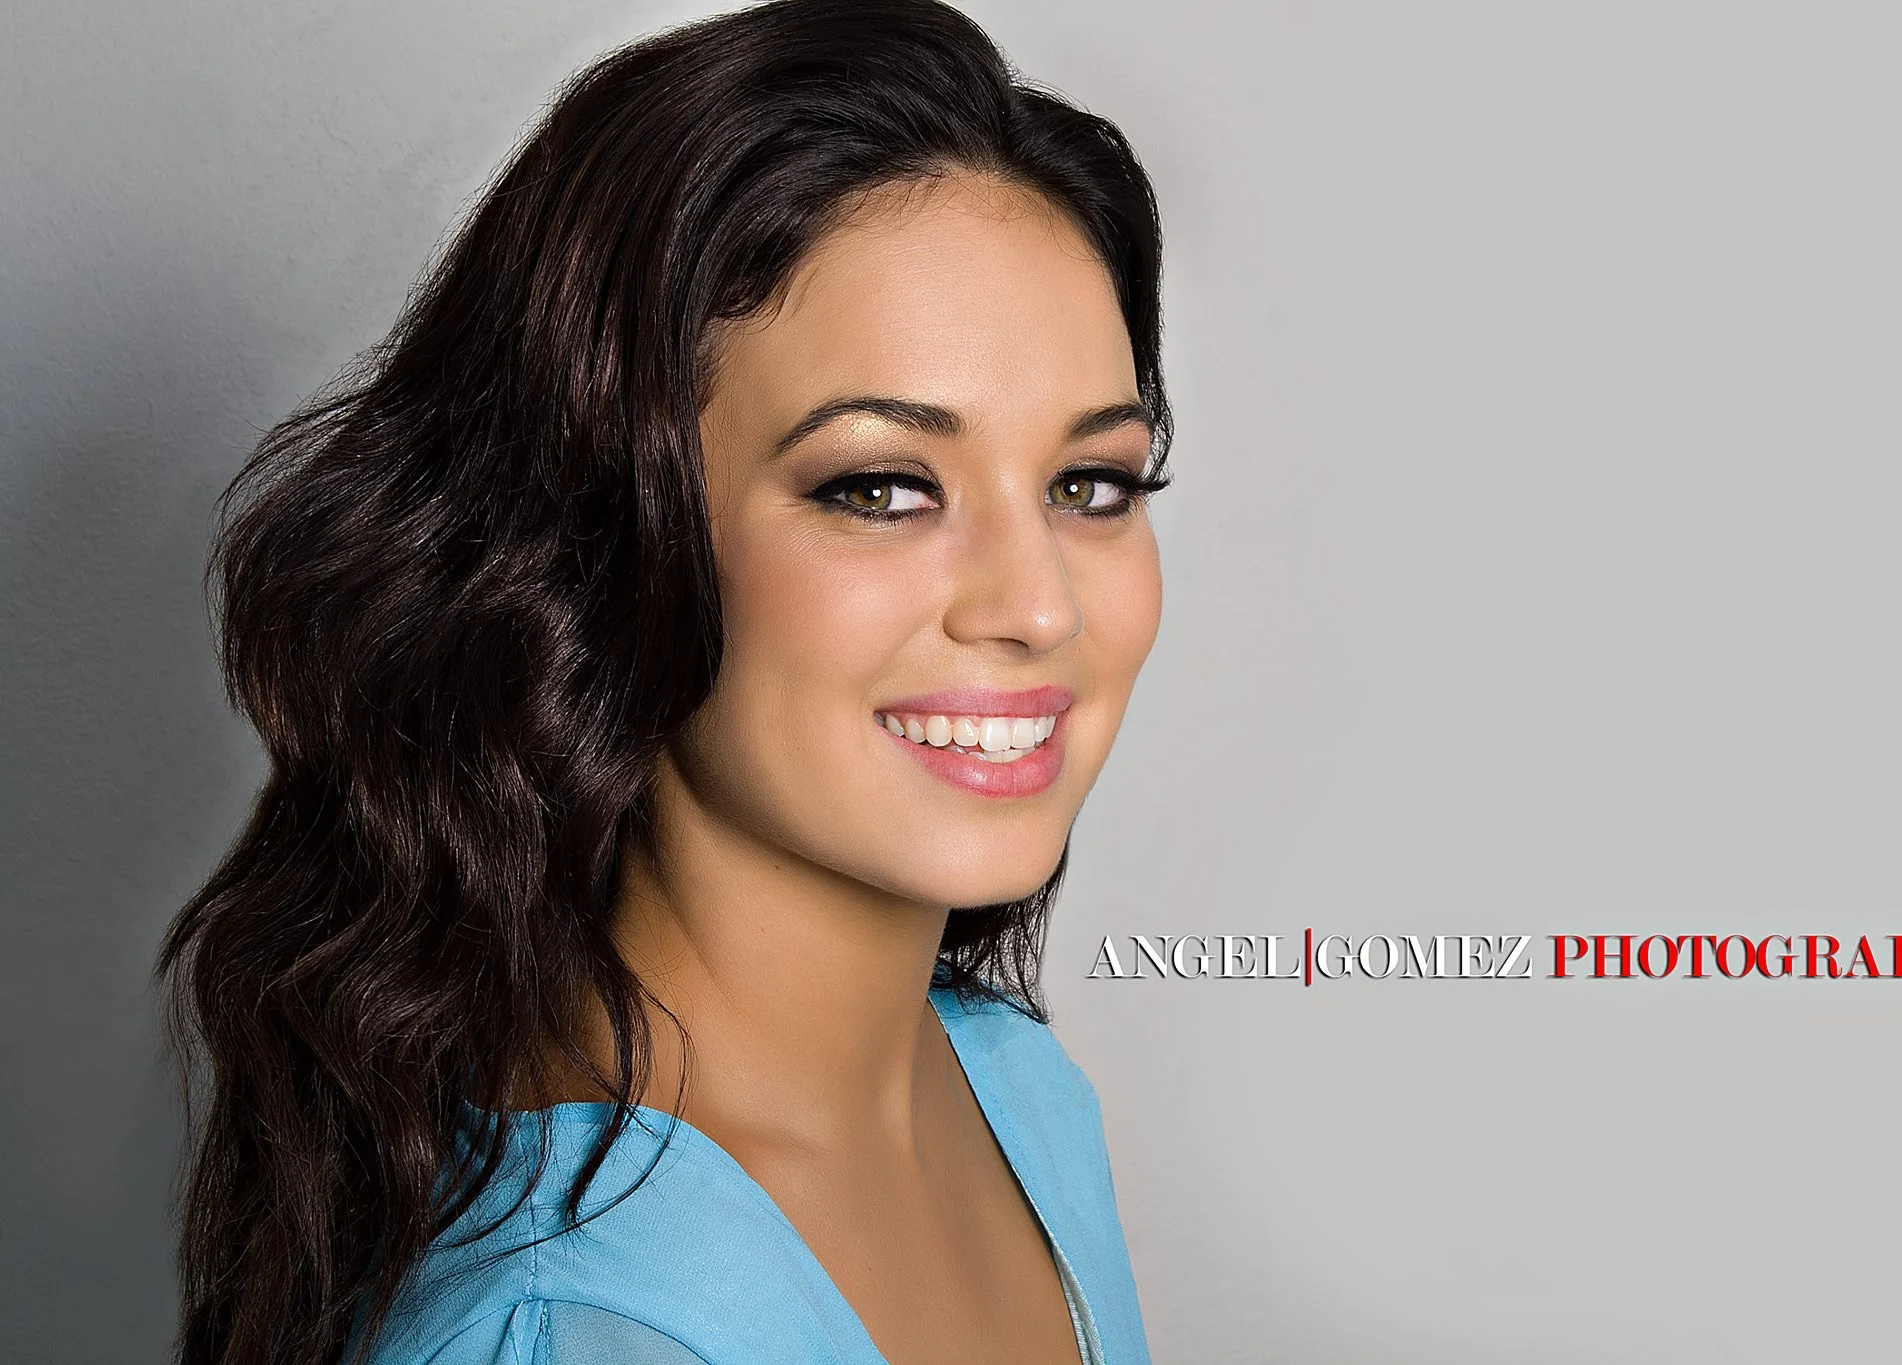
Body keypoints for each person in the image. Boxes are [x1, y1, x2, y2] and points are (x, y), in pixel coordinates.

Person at [156, 1, 1173, 1362]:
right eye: (878, 486)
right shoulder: (576, 1329)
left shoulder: (1013, 1088)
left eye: (1088, 483)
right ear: (599, 542)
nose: (1039, 603)